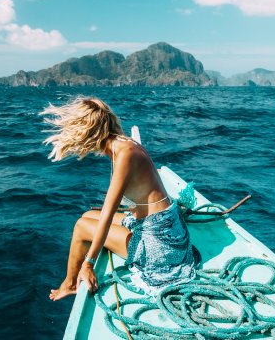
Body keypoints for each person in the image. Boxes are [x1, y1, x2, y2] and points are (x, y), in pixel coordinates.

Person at [41, 96, 200, 301]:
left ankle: (70, 284)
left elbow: (107, 213)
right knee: (89, 215)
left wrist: (88, 264)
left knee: (82, 226)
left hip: (161, 246)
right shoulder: (123, 143)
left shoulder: (125, 155)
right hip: (164, 227)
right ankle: (72, 279)